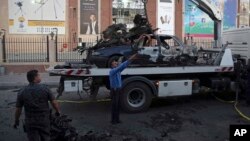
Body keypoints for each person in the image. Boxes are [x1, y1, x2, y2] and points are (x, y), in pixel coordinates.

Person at [13, 70, 60, 141]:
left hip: (30, 121)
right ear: (35, 77)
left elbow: (18, 109)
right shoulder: (45, 88)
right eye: (39, 75)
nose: (40, 76)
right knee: (46, 137)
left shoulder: (22, 91)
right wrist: (58, 111)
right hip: (44, 120)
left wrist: (16, 120)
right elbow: (54, 102)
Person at [109, 54, 137, 124]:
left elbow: (123, 66)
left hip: (118, 89)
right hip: (114, 90)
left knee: (118, 105)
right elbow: (120, 67)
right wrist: (130, 59)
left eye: (116, 62)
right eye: (114, 62)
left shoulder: (117, 71)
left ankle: (117, 119)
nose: (116, 62)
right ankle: (113, 120)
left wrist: (131, 60)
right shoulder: (112, 71)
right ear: (111, 65)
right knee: (114, 106)